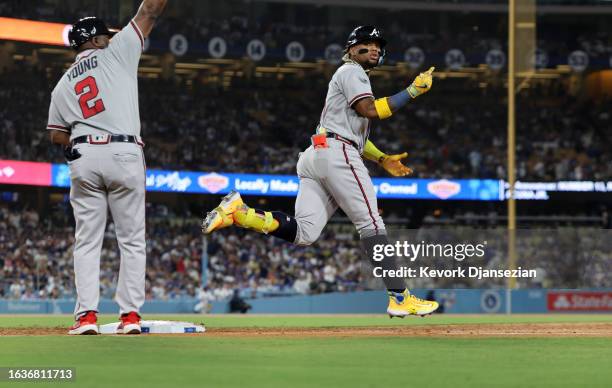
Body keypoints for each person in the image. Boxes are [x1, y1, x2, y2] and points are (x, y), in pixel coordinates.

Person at [203, 26, 439, 318]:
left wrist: (381, 159)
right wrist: (413, 91)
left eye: (377, 44)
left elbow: (351, 130)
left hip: (318, 154)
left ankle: (240, 214)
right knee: (372, 224)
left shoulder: (348, 75)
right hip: (337, 154)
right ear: (352, 49)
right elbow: (370, 110)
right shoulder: (353, 72)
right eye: (366, 44)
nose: (374, 48)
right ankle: (400, 297)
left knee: (304, 233)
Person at [46, 0, 167, 335]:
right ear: (97, 40)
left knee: (86, 241)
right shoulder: (117, 52)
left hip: (84, 155)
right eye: (106, 36)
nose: (111, 38)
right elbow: (150, 12)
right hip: (124, 152)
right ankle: (129, 317)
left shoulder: (62, 83)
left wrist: (72, 147)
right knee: (131, 240)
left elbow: (57, 134)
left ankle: (86, 317)